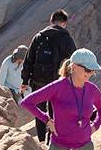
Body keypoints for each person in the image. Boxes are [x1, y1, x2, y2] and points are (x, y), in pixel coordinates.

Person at [20, 10, 77, 143]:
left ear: (51, 21)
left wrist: (25, 80)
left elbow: (28, 60)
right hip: (57, 83)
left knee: (39, 112)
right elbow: (74, 61)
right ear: (64, 23)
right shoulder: (66, 39)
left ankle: (40, 142)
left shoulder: (39, 37)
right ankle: (52, 141)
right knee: (55, 113)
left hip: (38, 81)